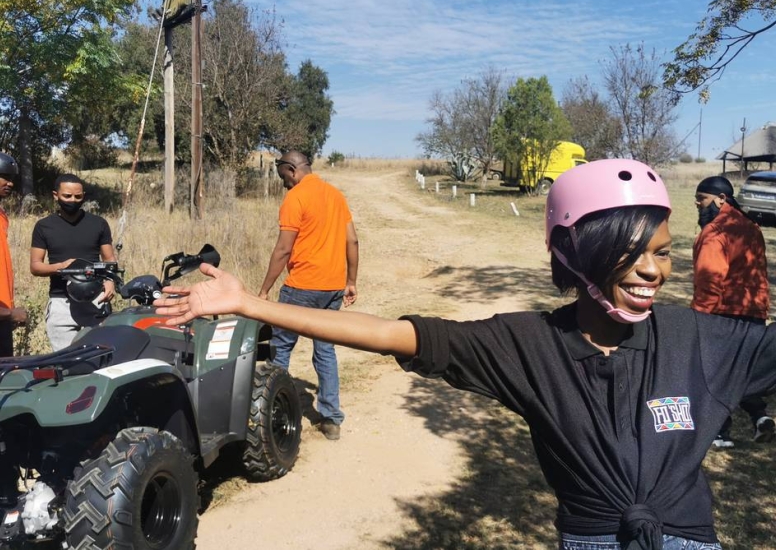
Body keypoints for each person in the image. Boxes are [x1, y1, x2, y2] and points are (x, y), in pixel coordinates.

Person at [154, 158, 776, 549]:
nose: (653, 271)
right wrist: (250, 305)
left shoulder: (700, 339)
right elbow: (397, 334)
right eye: (632, 252)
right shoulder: (532, 346)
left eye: (664, 251)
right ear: (577, 257)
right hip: (592, 540)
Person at [258, 151, 359, 441]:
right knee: (325, 350)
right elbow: (351, 239)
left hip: (302, 287)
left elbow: (283, 250)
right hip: (332, 288)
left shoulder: (296, 197)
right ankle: (331, 419)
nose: (284, 185)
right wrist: (350, 280)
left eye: (283, 178)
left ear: (292, 170)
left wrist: (265, 289)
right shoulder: (335, 195)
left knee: (280, 347)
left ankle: (274, 415)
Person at [693, 175, 774, 448]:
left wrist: (698, 317)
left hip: (724, 313)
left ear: (721, 199)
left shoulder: (715, 232)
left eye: (702, 200)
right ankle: (760, 418)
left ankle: (720, 433)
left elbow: (709, 279)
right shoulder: (752, 227)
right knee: (745, 368)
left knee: (718, 372)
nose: (698, 205)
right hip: (755, 310)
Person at [30, 174, 116, 351]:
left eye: (78, 196)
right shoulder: (44, 226)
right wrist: (61, 266)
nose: (73, 200)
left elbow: (109, 259)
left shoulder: (98, 224)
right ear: (56, 195)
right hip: (61, 302)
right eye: (67, 196)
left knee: (101, 358)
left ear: (83, 196)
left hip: (95, 300)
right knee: (65, 363)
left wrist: (110, 281)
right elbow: (35, 266)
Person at [0, 153, 27, 357]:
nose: (9, 183)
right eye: (4, 176)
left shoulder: (2, 217)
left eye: (12, 178)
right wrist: (9, 314)